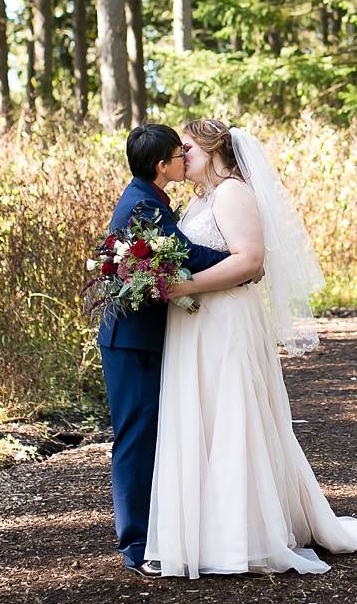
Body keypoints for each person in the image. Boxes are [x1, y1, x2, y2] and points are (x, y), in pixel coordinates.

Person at [142, 118, 357, 578]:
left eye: (187, 147)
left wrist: (180, 287)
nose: (179, 154)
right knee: (205, 419)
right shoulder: (203, 198)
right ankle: (208, 532)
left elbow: (251, 261)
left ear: (212, 149)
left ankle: (241, 536)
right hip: (198, 322)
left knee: (232, 416)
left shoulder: (232, 192)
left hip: (225, 318)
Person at [100, 124, 247, 578]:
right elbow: (182, 252)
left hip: (143, 337)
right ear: (162, 166)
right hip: (133, 341)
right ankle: (136, 547)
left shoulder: (152, 197)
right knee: (136, 441)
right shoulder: (143, 203)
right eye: (178, 154)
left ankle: (156, 534)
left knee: (150, 438)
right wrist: (239, 263)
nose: (186, 158)